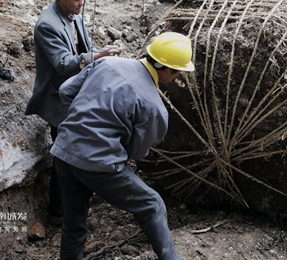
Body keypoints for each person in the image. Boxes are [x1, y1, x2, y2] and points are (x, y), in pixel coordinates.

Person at [51, 32, 195, 260]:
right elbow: (138, 152)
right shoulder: (154, 106)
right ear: (167, 70)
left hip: (64, 149)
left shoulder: (106, 63)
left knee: (74, 220)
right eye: (178, 72)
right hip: (97, 163)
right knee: (153, 204)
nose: (177, 77)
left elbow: (66, 91)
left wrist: (83, 121)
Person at [25, 0, 118, 225]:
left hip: (76, 92)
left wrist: (103, 52)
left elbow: (86, 49)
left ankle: (77, 197)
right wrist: (95, 57)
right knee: (63, 157)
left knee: (76, 150)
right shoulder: (47, 25)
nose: (81, 4)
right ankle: (58, 212)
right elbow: (64, 63)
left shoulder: (74, 15)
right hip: (58, 99)